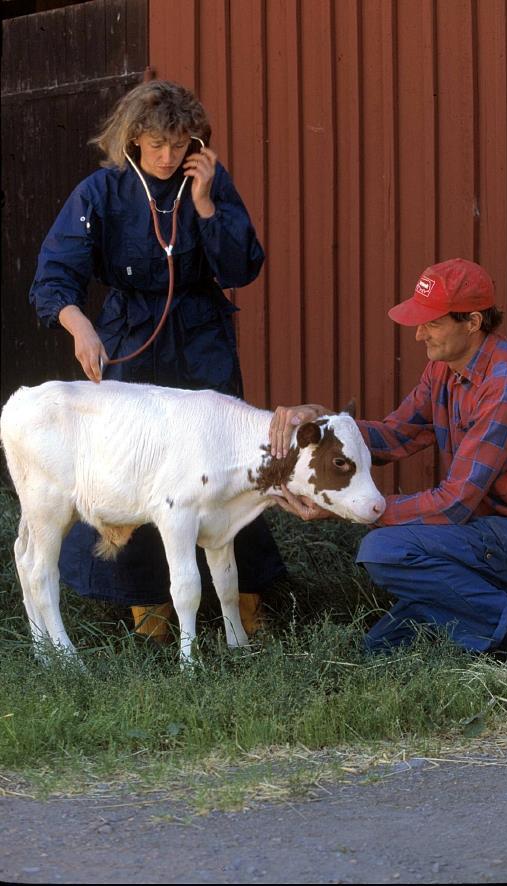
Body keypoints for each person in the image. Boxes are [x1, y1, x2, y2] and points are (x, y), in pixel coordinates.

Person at [30, 79, 284, 641]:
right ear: (132, 140)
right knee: (139, 467)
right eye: (157, 145)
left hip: (200, 337)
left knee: (226, 465)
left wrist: (206, 204)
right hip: (130, 336)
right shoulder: (102, 191)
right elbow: (53, 278)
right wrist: (81, 328)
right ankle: (148, 604)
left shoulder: (209, 184)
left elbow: (242, 268)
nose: (169, 156)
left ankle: (245, 598)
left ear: (197, 143)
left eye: (180, 144)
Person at [269, 258, 507, 669]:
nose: (419, 334)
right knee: (380, 653)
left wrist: (355, 511)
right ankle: (497, 636)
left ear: (472, 322)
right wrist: (326, 423)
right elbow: (397, 434)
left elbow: (454, 503)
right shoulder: (444, 370)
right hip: (487, 535)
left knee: (384, 550)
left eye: (432, 323)